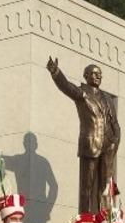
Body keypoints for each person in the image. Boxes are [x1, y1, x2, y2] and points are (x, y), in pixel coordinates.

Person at [47, 57, 121, 214]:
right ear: (86, 76)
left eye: (100, 74)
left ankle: (105, 220)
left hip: (107, 147)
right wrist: (56, 72)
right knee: (86, 187)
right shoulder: (82, 93)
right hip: (90, 145)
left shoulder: (108, 98)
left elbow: (114, 123)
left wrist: (115, 141)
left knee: (105, 186)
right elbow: (66, 86)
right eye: (94, 73)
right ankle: (85, 221)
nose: (98, 76)